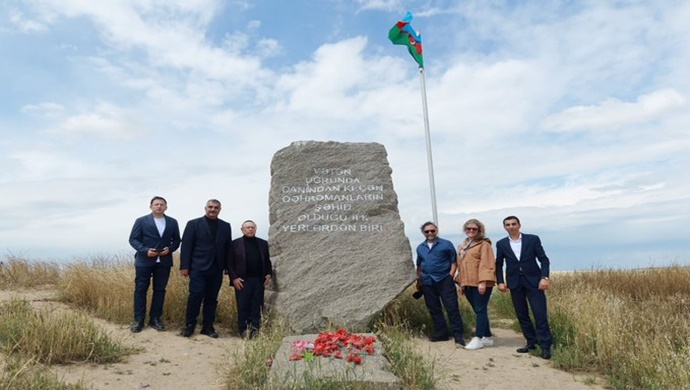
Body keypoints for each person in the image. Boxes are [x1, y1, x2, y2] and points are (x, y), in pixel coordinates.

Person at [495, 215, 553, 359]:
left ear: (519, 225)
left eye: (513, 224)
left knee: (540, 314)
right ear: (504, 227)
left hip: (534, 282)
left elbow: (544, 259)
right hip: (515, 283)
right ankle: (531, 342)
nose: (511, 227)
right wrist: (500, 281)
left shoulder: (532, 239)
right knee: (522, 315)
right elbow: (499, 264)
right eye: (507, 225)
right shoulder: (501, 244)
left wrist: (544, 278)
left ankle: (545, 346)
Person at [179, 199, 233, 338]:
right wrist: (184, 266)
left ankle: (208, 327)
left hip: (217, 268)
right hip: (198, 267)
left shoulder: (226, 226)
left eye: (216, 207)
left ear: (220, 209)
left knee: (212, 298)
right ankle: (190, 325)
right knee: (195, 295)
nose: (213, 209)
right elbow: (186, 246)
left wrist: (227, 266)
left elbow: (228, 248)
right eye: (210, 207)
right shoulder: (193, 224)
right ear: (205, 208)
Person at [128, 196, 181, 333]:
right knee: (140, 290)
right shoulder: (141, 221)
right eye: (156, 204)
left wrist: (169, 249)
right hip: (144, 261)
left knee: (160, 291)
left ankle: (155, 319)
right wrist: (145, 250)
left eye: (162, 204)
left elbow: (176, 240)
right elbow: (133, 239)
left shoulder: (172, 222)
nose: (159, 206)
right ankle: (139, 320)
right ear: (150, 206)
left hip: (164, 262)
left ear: (166, 207)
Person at [416, 221, 465, 347]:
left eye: (432, 230)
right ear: (423, 233)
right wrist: (419, 280)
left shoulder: (446, 244)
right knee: (434, 309)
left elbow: (453, 262)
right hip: (427, 282)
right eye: (427, 231)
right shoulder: (420, 247)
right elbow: (419, 265)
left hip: (444, 280)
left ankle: (458, 335)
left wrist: (450, 276)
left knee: (452, 308)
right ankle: (442, 333)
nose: (430, 233)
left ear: (436, 231)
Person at [455, 219, 496, 350]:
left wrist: (483, 282)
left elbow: (487, 263)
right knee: (479, 310)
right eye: (468, 229)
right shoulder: (463, 246)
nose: (471, 231)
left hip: (480, 283)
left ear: (480, 230)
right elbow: (461, 265)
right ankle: (487, 336)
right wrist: (461, 283)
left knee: (480, 309)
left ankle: (478, 338)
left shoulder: (484, 244)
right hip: (467, 282)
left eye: (474, 229)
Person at [229, 220, 272, 339]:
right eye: (247, 227)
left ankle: (255, 331)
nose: (250, 229)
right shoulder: (234, 244)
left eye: (252, 227)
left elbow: (267, 260)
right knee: (243, 306)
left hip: (259, 280)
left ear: (256, 229)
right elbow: (229, 263)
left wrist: (268, 273)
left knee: (257, 306)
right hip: (242, 281)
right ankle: (244, 331)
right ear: (242, 230)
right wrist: (234, 278)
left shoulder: (263, 243)